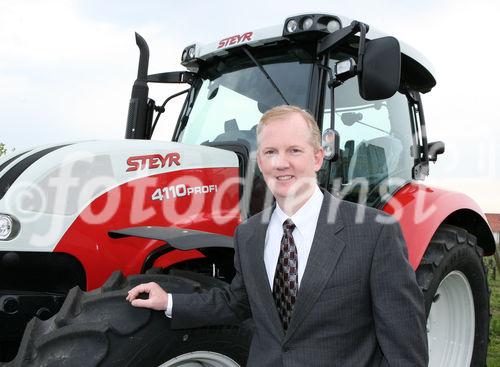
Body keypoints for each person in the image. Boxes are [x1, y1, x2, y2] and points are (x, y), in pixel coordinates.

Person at [126, 105, 429, 367]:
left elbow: (405, 347)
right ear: (260, 162)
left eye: (294, 150)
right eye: (271, 152)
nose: (281, 163)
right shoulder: (248, 234)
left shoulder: (375, 232)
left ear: (317, 158)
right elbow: (237, 302)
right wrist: (169, 301)